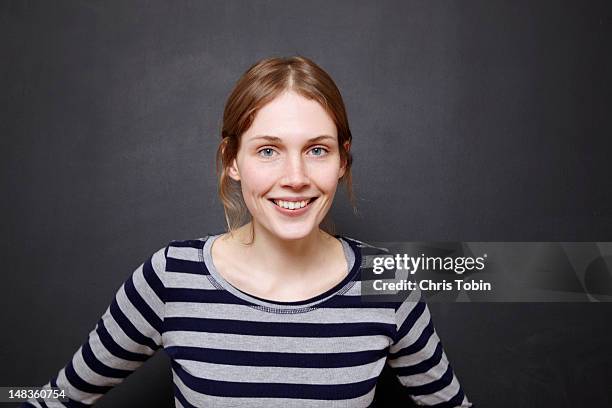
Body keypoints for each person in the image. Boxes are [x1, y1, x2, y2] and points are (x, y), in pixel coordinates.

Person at [23, 56, 472, 407]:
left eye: (317, 149)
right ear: (233, 160)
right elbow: (56, 397)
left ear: (343, 161)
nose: (295, 176)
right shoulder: (171, 277)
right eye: (268, 150)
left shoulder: (388, 284)